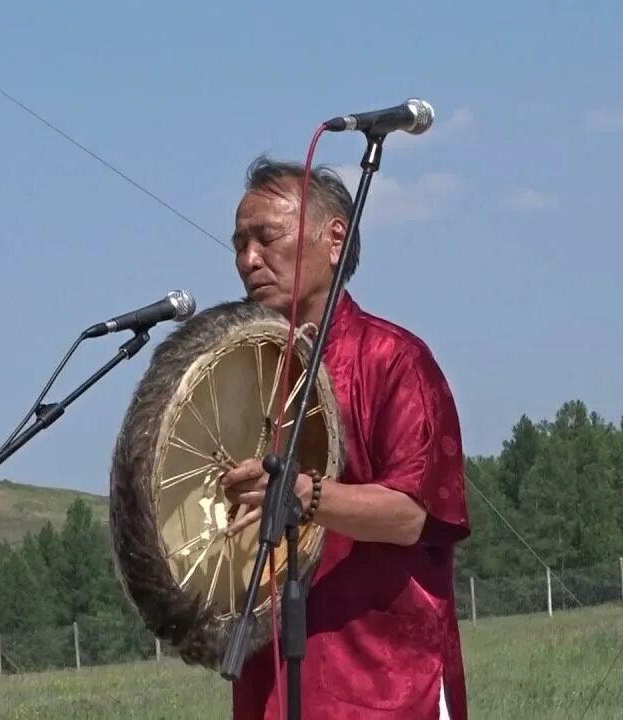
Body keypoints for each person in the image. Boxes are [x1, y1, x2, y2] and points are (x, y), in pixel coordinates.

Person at [220, 155, 472, 720]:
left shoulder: (394, 360)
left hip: (383, 685)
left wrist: (304, 496)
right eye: (238, 244)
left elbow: (411, 515)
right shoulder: (243, 374)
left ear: (334, 238)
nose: (248, 260)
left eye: (266, 237)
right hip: (273, 685)